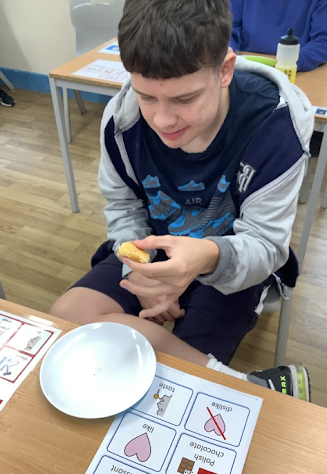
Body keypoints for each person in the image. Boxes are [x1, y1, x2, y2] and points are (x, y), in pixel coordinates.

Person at [50, 0, 313, 401]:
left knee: (174, 389)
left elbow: (265, 245)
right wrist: (146, 275)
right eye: (146, 97)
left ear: (225, 70)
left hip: (233, 266)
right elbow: (123, 209)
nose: (162, 120)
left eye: (185, 99)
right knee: (65, 320)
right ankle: (248, 386)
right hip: (150, 245)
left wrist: (202, 259)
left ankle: (237, 387)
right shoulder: (122, 124)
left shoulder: (275, 128)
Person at [229, 0, 327, 72]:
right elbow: (226, 30)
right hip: (247, 68)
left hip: (294, 72)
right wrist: (226, 49)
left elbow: (322, 42)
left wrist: (290, 62)